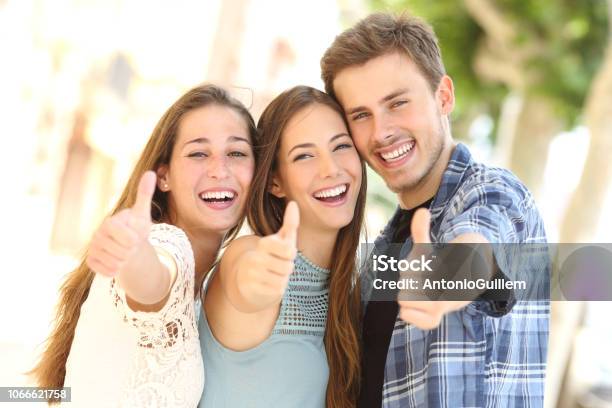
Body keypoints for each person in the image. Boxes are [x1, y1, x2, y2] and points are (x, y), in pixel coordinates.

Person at [321, 12, 549, 407]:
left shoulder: (494, 191)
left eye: (397, 103)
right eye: (361, 115)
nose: (380, 132)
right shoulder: (388, 244)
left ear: (443, 96)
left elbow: (475, 251)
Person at [30, 84, 257, 407]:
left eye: (236, 153)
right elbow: (154, 279)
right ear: (163, 176)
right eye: (198, 153)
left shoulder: (215, 282)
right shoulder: (163, 244)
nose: (220, 170)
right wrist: (133, 255)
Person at [199, 86, 366, 407]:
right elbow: (246, 278)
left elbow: (487, 272)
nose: (331, 168)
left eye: (341, 146)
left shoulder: (352, 288)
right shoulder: (250, 254)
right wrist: (259, 281)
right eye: (304, 155)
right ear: (275, 181)